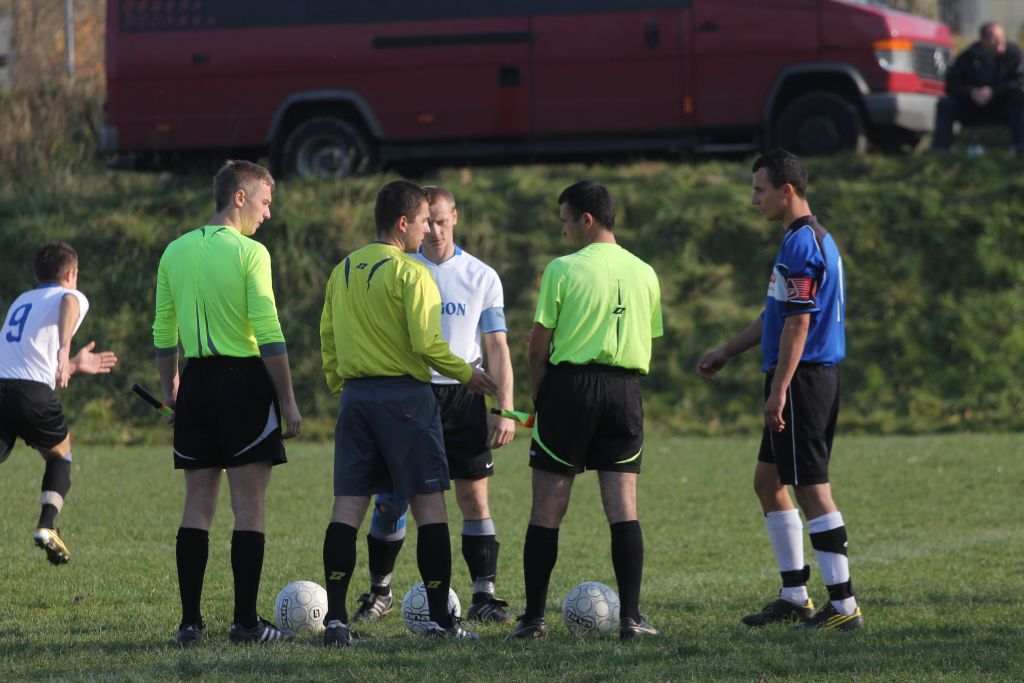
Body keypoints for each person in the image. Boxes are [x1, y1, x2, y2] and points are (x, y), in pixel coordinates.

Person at [319, 180, 499, 647]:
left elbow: (328, 336)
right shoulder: (411, 273)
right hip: (405, 401)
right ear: (403, 222)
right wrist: (467, 374)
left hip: (356, 400)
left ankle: (336, 621)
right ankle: (441, 620)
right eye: (422, 221)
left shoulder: (343, 268)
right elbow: (426, 343)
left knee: (348, 508)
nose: (427, 230)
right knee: (430, 508)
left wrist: (342, 383)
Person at [696, 149, 863, 632]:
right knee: (768, 484)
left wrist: (780, 390)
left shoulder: (803, 245)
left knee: (812, 489)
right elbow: (776, 314)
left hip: (805, 379)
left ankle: (844, 605)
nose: (754, 199)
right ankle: (795, 595)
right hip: (800, 376)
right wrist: (728, 351)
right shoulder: (803, 240)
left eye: (759, 189)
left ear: (786, 190)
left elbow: (799, 324)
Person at [152, 160, 303, 647]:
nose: (268, 214)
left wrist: (170, 388)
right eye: (264, 202)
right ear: (239, 197)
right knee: (249, 509)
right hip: (242, 384)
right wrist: (288, 401)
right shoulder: (251, 253)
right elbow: (270, 330)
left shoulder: (174, 250)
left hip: (195, 385)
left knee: (196, 506)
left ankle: (190, 624)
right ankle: (244, 624)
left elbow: (162, 333)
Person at [510, 181, 663, 642]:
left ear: (586, 220)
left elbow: (539, 348)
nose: (562, 232)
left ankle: (533, 619)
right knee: (623, 509)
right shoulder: (646, 272)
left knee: (547, 509)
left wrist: (541, 398)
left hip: (570, 391)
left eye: (564, 221)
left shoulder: (562, 269)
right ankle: (631, 618)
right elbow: (644, 334)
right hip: (625, 393)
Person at [0, 241, 117, 565]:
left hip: (2, 389)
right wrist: (66, 350)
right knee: (61, 455)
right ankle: (46, 525)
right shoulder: (70, 294)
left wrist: (75, 365)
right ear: (70, 273)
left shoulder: (22, 300)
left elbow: (25, 359)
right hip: (32, 394)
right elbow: (69, 301)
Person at [931, 21, 1024, 154]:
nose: (1001, 42)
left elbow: (1019, 82)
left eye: (1002, 37)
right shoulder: (967, 57)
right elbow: (952, 85)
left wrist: (993, 92)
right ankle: (941, 150)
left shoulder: (1014, 55)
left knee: (1020, 99)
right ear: (984, 40)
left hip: (1003, 106)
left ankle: (1020, 148)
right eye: (995, 39)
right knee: (944, 104)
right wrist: (971, 93)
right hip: (973, 107)